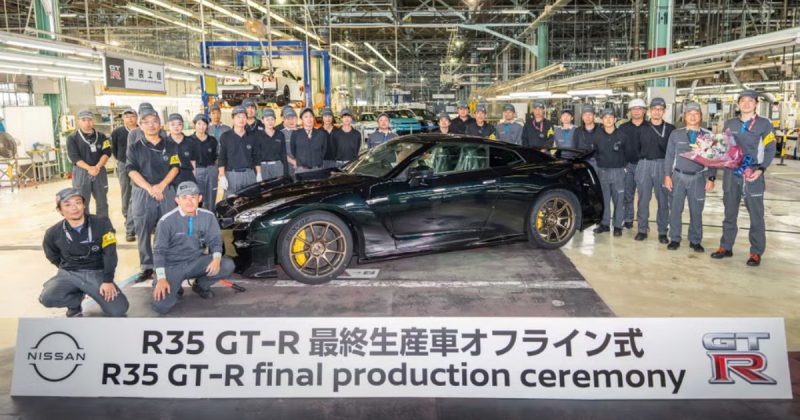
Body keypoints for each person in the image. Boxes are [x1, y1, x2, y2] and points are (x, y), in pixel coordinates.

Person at [712, 89, 776, 266]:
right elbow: (723, 146)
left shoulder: (764, 124)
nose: (746, 104)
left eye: (751, 101)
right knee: (729, 212)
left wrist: (761, 169)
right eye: (743, 101)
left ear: (756, 104)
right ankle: (726, 246)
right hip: (731, 174)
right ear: (738, 104)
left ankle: (756, 252)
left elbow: (770, 148)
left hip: (752, 173)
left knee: (756, 215)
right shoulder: (730, 123)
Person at [41, 188, 129, 317]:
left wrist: (108, 280)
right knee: (47, 298)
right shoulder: (52, 233)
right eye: (67, 205)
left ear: (84, 205)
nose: (74, 208)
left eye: (78, 202)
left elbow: (110, 253)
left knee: (119, 309)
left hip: (96, 273)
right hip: (69, 273)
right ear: (59, 210)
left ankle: (89, 289)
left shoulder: (102, 223)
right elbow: (52, 255)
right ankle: (75, 302)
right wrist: (67, 268)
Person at [151, 181, 235, 315]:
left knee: (227, 265)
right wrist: (161, 278)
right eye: (184, 197)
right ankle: (172, 285)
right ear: (177, 200)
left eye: (193, 197)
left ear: (199, 198)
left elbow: (215, 241)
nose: (189, 201)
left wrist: (216, 258)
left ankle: (200, 285)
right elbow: (159, 252)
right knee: (161, 307)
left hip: (196, 262)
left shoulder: (208, 217)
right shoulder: (166, 221)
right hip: (172, 266)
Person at [125, 108, 181, 283]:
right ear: (140, 125)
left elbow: (175, 167)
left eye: (154, 121)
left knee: (168, 228)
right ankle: (147, 266)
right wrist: (150, 188)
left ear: (160, 125)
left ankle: (166, 263)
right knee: (143, 229)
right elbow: (131, 171)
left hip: (166, 191)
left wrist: (161, 186)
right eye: (146, 122)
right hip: (143, 192)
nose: (151, 125)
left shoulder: (170, 145)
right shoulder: (134, 147)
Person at [663, 102, 715, 252]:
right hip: (678, 176)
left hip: (698, 178)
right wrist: (667, 176)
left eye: (696, 114)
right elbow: (669, 156)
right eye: (689, 114)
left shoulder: (708, 135)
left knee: (696, 210)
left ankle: (695, 240)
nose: (693, 117)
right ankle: (674, 238)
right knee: (675, 209)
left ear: (701, 116)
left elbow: (713, 158)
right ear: (684, 117)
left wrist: (711, 178)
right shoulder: (676, 134)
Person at [635, 98, 675, 243]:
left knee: (663, 200)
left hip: (663, 165)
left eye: (660, 109)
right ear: (650, 111)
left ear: (664, 111)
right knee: (643, 199)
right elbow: (636, 148)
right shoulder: (641, 128)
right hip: (644, 164)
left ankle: (662, 231)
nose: (657, 112)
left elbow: (673, 151)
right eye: (654, 109)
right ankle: (642, 229)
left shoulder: (671, 129)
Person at [590, 108, 628, 236]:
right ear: (602, 120)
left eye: (611, 117)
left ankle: (618, 226)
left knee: (619, 200)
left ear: (615, 119)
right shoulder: (597, 135)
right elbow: (594, 152)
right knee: (604, 200)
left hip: (618, 172)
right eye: (605, 117)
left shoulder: (622, 135)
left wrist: (624, 167)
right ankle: (604, 224)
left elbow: (628, 153)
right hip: (602, 171)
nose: (608, 119)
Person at [67, 110, 111, 218]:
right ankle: (85, 225)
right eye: (84, 120)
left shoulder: (102, 136)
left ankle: (102, 224)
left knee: (102, 201)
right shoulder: (72, 138)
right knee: (82, 202)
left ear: (93, 121)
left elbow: (107, 152)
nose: (87, 123)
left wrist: (98, 166)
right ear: (78, 121)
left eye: (90, 120)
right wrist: (89, 168)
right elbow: (74, 157)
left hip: (99, 170)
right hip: (81, 172)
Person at [218, 106, 261, 197]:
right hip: (232, 175)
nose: (241, 119)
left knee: (251, 201)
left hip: (249, 174)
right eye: (238, 117)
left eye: (244, 117)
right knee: (232, 202)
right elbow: (222, 158)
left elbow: (256, 157)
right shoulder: (225, 136)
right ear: (233, 119)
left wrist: (259, 174)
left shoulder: (252, 136)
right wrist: (222, 176)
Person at [618, 98, 647, 229]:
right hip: (628, 165)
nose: (636, 111)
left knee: (644, 196)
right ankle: (628, 219)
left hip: (644, 165)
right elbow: (619, 147)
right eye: (633, 109)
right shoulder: (623, 128)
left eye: (639, 109)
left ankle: (643, 222)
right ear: (630, 111)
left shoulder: (649, 127)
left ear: (644, 111)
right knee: (628, 194)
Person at [110, 108, 137, 241]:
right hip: (124, 165)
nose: (130, 119)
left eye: (132, 116)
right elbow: (114, 149)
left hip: (139, 165)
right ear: (123, 119)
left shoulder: (142, 130)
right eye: (127, 117)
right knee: (126, 192)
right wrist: (121, 160)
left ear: (137, 118)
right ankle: (128, 218)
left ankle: (140, 219)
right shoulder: (117, 132)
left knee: (140, 192)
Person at [188, 114, 218, 211]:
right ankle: (196, 215)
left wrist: (217, 173)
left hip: (211, 169)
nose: (201, 127)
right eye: (199, 124)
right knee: (196, 196)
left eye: (204, 124)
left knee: (211, 197)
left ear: (207, 126)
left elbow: (216, 157)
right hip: (196, 171)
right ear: (194, 125)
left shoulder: (212, 140)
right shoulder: (188, 140)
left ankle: (210, 215)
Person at [290, 108, 327, 179]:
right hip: (302, 170)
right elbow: (293, 150)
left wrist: (317, 160)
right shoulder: (296, 134)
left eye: (311, 116)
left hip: (317, 169)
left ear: (314, 118)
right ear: (302, 119)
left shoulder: (321, 134)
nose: (309, 119)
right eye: (306, 117)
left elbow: (323, 150)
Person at [255, 108, 287, 180]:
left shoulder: (280, 134)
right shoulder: (258, 135)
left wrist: (285, 171)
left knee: (278, 186)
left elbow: (283, 154)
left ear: (275, 120)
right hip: (264, 167)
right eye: (267, 119)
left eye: (272, 119)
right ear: (262, 121)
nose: (270, 122)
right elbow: (257, 156)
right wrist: (258, 173)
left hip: (278, 166)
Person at [166, 113, 197, 185]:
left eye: (179, 124)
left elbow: (193, 162)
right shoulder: (164, 143)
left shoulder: (190, 141)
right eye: (173, 124)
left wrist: (194, 176)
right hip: (169, 179)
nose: (176, 127)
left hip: (187, 177)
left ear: (183, 125)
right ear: (168, 126)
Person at [280, 107, 299, 175]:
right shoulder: (280, 134)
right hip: (287, 168)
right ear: (284, 120)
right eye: (288, 119)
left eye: (293, 118)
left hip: (302, 166)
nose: (291, 121)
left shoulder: (302, 132)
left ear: (297, 119)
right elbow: (281, 152)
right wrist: (293, 162)